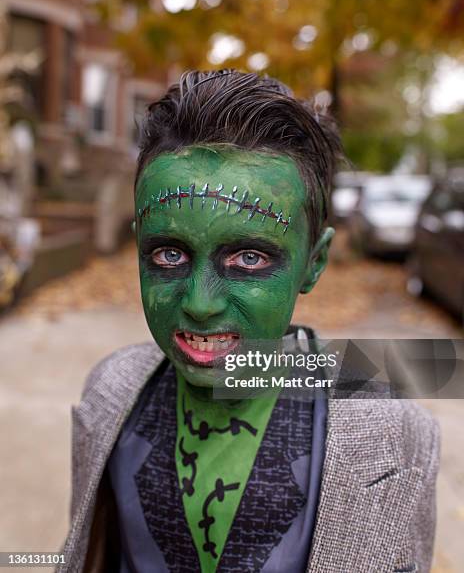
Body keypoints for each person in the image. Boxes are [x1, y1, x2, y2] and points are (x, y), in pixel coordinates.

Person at [59, 70, 440, 573]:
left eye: (249, 260)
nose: (199, 303)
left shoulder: (395, 431)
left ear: (314, 263)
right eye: (169, 254)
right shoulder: (110, 395)